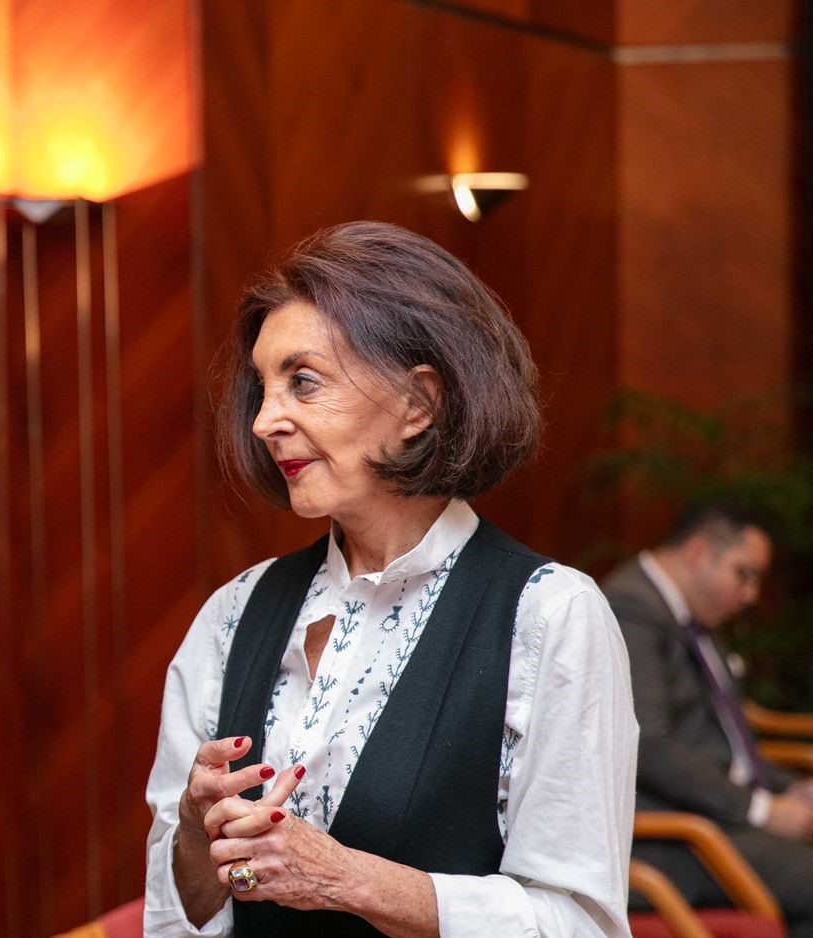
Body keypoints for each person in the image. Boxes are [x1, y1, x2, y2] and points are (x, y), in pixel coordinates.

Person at [143, 221, 638, 937]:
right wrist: (195, 834)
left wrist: (347, 880)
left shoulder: (550, 617)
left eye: (303, 382)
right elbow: (173, 913)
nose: (264, 421)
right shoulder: (233, 613)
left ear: (418, 404)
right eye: (263, 388)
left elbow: (578, 924)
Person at [603, 503, 813, 938]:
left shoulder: (688, 615)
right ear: (700, 552)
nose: (751, 595)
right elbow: (649, 745)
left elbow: (728, 744)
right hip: (671, 835)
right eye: (744, 574)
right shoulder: (631, 608)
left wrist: (789, 790)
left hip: (712, 817)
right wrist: (763, 810)